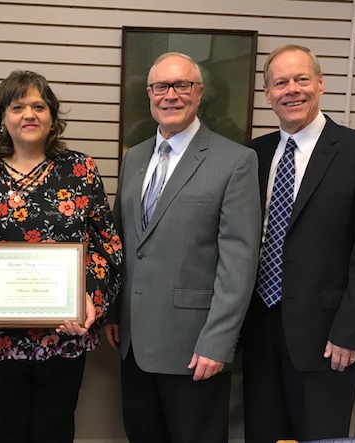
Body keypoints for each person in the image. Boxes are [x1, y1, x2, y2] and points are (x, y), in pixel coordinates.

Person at [0, 70, 122, 443]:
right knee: (5, 431)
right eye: (17, 106)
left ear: (52, 116)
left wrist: (90, 300)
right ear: (2, 118)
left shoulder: (81, 171)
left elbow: (106, 243)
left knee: (55, 431)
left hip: (63, 336)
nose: (29, 114)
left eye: (38, 106)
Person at [240, 44, 355, 442]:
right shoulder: (253, 156)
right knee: (263, 434)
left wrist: (351, 332)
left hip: (328, 337)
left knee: (320, 436)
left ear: (321, 84)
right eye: (280, 83)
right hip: (260, 328)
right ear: (268, 94)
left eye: (301, 79)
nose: (291, 90)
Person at [103, 52, 261, 443]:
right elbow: (123, 243)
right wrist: (113, 311)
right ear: (149, 93)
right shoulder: (135, 157)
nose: (170, 95)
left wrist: (218, 342)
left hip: (195, 347)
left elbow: (238, 262)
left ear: (199, 92)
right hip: (134, 342)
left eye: (182, 85)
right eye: (160, 86)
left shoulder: (235, 160)